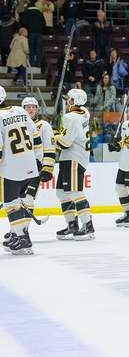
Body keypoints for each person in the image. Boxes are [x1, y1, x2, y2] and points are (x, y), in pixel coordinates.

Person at [0, 87, 41, 255]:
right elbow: (35, 135)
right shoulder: (19, 110)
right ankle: (19, 236)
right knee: (20, 201)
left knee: (11, 204)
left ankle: (23, 238)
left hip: (12, 168)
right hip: (30, 164)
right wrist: (38, 159)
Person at [54, 89, 94, 241]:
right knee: (61, 192)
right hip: (74, 157)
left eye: (69, 99)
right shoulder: (84, 112)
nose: (67, 101)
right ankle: (72, 224)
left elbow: (65, 143)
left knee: (75, 192)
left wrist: (55, 135)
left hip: (73, 158)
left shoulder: (70, 117)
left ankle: (88, 225)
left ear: (73, 101)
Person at [18, 97, 55, 221]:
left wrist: (48, 168)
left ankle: (24, 231)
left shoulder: (43, 125)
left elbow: (49, 148)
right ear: (23, 109)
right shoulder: (18, 126)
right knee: (17, 200)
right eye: (28, 106)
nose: (31, 109)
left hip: (36, 168)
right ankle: (17, 229)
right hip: (19, 168)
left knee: (28, 198)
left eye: (33, 107)